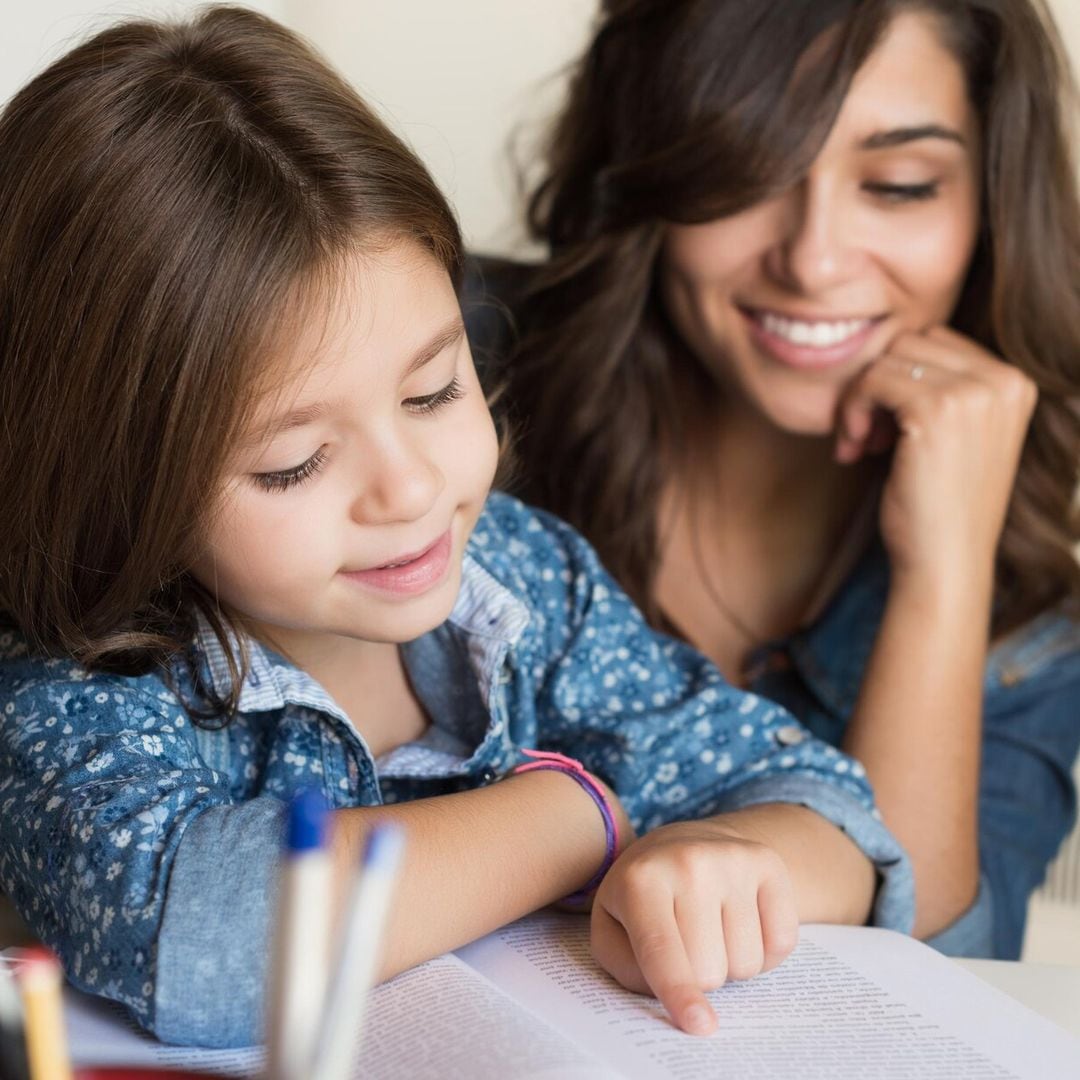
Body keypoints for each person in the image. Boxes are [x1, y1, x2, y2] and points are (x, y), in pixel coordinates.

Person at [0, 5, 913, 1050]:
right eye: (294, 461)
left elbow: (832, 813)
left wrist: (723, 860)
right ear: (117, 484)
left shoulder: (522, 578)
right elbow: (190, 940)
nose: (409, 488)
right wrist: (582, 821)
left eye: (434, 391)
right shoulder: (74, 676)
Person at [488, 0, 1080, 961]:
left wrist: (944, 574)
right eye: (751, 171)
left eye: (896, 184)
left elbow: (931, 987)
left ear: (991, 205)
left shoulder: (1032, 644)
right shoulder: (434, 381)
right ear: (653, 165)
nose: (813, 261)